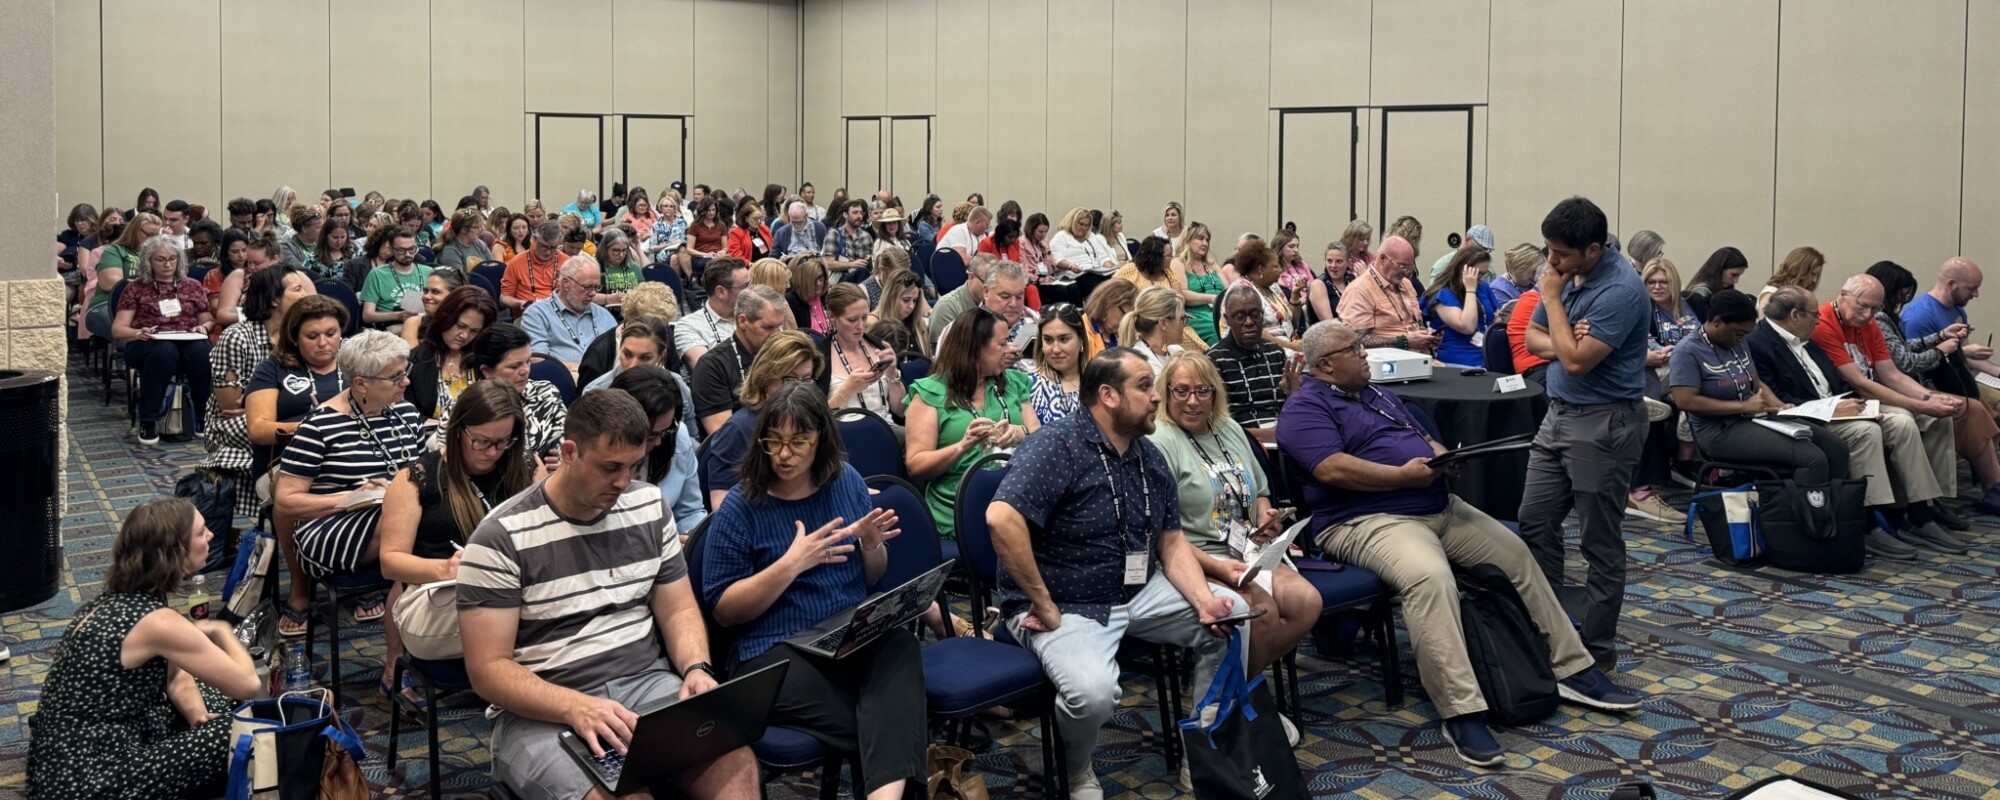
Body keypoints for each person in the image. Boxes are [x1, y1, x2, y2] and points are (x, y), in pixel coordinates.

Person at [1278, 321, 1639, 766]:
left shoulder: (1377, 393)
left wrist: (1444, 457)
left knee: (1516, 555)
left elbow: (1422, 436)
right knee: (1429, 578)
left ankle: (1571, 667)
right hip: (1366, 519)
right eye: (1355, 349)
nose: (1366, 353)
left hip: (1437, 505)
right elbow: (1331, 470)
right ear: (1327, 364)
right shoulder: (1304, 408)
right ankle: (1461, 709)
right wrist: (1401, 476)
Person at [458, 390, 761, 800]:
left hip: (646, 686)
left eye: (633, 466)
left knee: (736, 765)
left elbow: (679, 610)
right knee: (620, 795)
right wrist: (574, 706)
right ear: (569, 452)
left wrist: (696, 668)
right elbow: (488, 670)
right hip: (541, 708)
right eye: (609, 467)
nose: (623, 481)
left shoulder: (648, 505)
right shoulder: (500, 537)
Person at [987, 347, 1249, 796]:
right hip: (1067, 602)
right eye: (1145, 386)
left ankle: (1203, 751)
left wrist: (1205, 602)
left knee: (1231, 615)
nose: (1156, 397)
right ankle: (1077, 769)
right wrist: (1043, 600)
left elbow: (1170, 542)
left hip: (1137, 591)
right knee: (1092, 694)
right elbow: (1000, 518)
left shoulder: (1147, 454)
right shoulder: (1058, 445)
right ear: (1108, 395)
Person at [698, 382, 925, 800]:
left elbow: (872, 577)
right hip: (770, 652)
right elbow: (724, 611)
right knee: (892, 722)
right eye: (774, 441)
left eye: (798, 441)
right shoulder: (741, 506)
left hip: (843, 634)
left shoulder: (846, 481)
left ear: (821, 440)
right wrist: (791, 564)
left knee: (900, 646)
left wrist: (871, 545)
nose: (784, 454)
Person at [25, 498, 262, 798]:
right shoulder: (158, 622)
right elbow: (248, 685)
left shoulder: (109, 603)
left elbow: (176, 676)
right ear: (175, 551)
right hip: (90, 779)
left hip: (58, 763)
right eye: (201, 532)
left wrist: (196, 715)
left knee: (205, 689)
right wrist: (222, 629)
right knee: (241, 731)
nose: (212, 536)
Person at [1518, 196, 1653, 671]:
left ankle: (1597, 651)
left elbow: (1576, 361)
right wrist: (1563, 336)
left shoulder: (1619, 290)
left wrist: (1553, 305)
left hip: (1605, 422)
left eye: (1560, 255)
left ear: (1593, 249)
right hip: (1558, 415)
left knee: (1598, 540)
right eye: (1547, 251)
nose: (1550, 264)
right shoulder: (1571, 275)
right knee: (1533, 522)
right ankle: (1550, 633)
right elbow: (1533, 340)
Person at [1746, 286, 1951, 560]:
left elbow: (1838, 382)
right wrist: (1838, 409)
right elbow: (1781, 402)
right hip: (1805, 418)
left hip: (1837, 407)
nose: (1818, 320)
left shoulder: (1807, 338)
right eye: (1813, 314)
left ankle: (1918, 512)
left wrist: (1860, 406)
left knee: (1901, 423)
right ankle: (1868, 521)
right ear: (1794, 315)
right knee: (1865, 431)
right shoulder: (1759, 343)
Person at [1149, 352, 1318, 681]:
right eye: (1181, 391)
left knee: (1306, 602)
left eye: (1203, 391)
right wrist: (1218, 565)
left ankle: (1234, 692)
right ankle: (1231, 710)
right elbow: (1162, 535)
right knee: (1262, 615)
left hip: (1247, 550)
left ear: (1215, 393)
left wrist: (1266, 517)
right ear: (1166, 393)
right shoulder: (1159, 441)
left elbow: (1259, 493)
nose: (1193, 402)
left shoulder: (1227, 428)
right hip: (1195, 556)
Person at [378, 380, 538, 703]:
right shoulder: (417, 478)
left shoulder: (527, 467)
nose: (492, 452)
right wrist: (446, 569)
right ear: (458, 430)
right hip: (439, 596)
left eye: (503, 442)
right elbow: (390, 561)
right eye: (481, 442)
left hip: (510, 587)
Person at [275, 330, 423, 630]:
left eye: (404, 372)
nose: (405, 382)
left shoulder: (406, 412)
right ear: (360, 383)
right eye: (394, 377)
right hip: (330, 523)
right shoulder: (320, 424)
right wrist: (352, 497)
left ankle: (421, 602)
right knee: (404, 516)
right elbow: (286, 502)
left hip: (393, 516)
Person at [1811, 275, 1970, 552]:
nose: (1868, 315)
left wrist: (1930, 398)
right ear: (1843, 294)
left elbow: (1892, 374)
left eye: (1874, 309)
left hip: (1874, 396)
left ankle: (1929, 503)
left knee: (1938, 416)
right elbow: (1861, 383)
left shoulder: (1869, 324)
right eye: (1862, 306)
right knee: (1904, 422)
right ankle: (1906, 515)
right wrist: (1921, 404)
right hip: (1850, 400)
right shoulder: (1824, 323)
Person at [1668, 290, 1850, 485]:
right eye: (1738, 333)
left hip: (1755, 419)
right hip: (1719, 431)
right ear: (1718, 321)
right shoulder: (1688, 351)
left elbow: (1756, 382)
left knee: (1835, 447)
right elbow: (1685, 400)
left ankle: (1836, 510)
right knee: (1812, 458)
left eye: (1745, 334)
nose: (1741, 339)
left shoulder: (1738, 343)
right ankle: (1805, 513)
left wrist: (1779, 407)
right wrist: (1743, 407)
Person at [906, 307, 1039, 539]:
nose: (1009, 350)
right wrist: (962, 446)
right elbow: (916, 465)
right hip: (963, 508)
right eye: (1002, 343)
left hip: (1019, 498)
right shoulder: (930, 392)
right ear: (976, 348)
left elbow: (1039, 434)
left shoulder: (1014, 382)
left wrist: (1022, 432)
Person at [204, 265, 314, 521]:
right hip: (231, 425)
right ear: (275, 299)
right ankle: (290, 506)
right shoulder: (238, 337)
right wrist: (280, 402)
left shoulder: (301, 336)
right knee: (306, 436)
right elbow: (230, 406)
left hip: (284, 416)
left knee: (312, 432)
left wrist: (261, 400)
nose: (306, 296)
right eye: (298, 290)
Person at [115, 235, 216, 445]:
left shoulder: (192, 286)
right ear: (148, 262)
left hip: (187, 341)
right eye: (160, 259)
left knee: (201, 350)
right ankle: (149, 419)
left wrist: (202, 328)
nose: (167, 264)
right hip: (146, 343)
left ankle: (202, 416)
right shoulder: (135, 288)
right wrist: (137, 333)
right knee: (164, 351)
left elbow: (208, 321)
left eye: (172, 259)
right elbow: (118, 329)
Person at [704, 331, 824, 507]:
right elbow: (721, 505)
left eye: (806, 380)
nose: (799, 389)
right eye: (790, 380)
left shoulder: (814, 421)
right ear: (765, 378)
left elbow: (828, 473)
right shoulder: (738, 429)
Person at [608, 365, 707, 534]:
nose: (659, 442)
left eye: (665, 432)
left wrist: (690, 537)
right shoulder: (597, 451)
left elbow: (690, 511)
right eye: (650, 435)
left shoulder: (677, 435)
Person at [453, 323, 568, 462]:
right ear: (487, 371)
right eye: (515, 366)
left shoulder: (546, 394)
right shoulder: (462, 405)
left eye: (528, 362)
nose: (526, 370)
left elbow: (566, 446)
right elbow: (450, 460)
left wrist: (563, 464)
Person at [691, 284, 790, 434]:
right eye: (768, 327)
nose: (776, 335)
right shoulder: (712, 366)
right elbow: (724, 437)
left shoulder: (784, 356)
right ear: (743, 321)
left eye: (779, 327)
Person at [1207, 284, 1300, 442]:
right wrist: (1273, 435)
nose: (1249, 322)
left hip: (1286, 438)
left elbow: (1291, 410)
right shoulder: (1214, 360)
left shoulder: (1275, 351)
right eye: (1240, 316)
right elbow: (1218, 423)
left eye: (1255, 314)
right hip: (1244, 445)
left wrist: (1294, 394)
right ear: (1227, 320)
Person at [406, 285, 497, 427]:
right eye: (460, 326)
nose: (464, 335)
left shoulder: (486, 360)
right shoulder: (415, 360)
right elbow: (406, 413)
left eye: (474, 331)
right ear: (445, 317)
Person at [1337, 235, 1432, 353]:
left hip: (1419, 359)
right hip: (1385, 364)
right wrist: (1403, 341)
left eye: (1409, 268)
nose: (1406, 273)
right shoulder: (1359, 290)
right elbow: (1354, 340)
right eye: (1402, 266)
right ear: (1382, 259)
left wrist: (1427, 335)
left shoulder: (1406, 284)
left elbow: (1417, 323)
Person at [822, 284, 905, 419]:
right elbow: (817, 420)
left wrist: (892, 373)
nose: (860, 326)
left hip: (886, 428)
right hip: (845, 433)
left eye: (864, 318)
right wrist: (847, 390)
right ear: (832, 316)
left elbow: (901, 411)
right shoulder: (820, 355)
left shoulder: (880, 347)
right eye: (852, 320)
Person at [521, 256, 616, 370]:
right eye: (587, 287)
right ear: (566, 284)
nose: (593, 293)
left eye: (596, 287)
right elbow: (538, 360)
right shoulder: (537, 314)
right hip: (563, 380)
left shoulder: (604, 315)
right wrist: (580, 369)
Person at [1114, 236, 1207, 353]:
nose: (1171, 259)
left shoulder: (1168, 272)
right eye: (1168, 256)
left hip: (1168, 322)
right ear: (1155, 258)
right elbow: (1111, 294)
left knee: (1198, 349)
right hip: (1142, 325)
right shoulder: (1130, 270)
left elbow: (1180, 300)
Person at [1422, 246, 1499, 368]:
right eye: (1478, 274)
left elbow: (1493, 319)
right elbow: (1467, 327)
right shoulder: (1443, 294)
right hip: (1461, 357)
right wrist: (1470, 290)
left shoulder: (1483, 288)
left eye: (1485, 274)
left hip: (1486, 351)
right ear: (1464, 270)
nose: (1482, 278)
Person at [678, 258, 752, 370]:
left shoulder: (757, 314)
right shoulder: (689, 326)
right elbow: (708, 371)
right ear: (721, 292)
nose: (752, 291)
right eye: (745, 287)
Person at [357, 230, 431, 328]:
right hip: (392, 327)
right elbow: (367, 316)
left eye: (412, 249)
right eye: (401, 250)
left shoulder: (428, 272)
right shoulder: (377, 274)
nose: (408, 254)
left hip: (424, 324)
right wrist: (397, 316)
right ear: (392, 250)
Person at [1031, 303, 1090, 425]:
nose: (1056, 349)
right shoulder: (1028, 386)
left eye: (1064, 339)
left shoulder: (1099, 382)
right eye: (1048, 340)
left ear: (1081, 340)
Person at [925, 253, 997, 353]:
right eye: (987, 283)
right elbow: (945, 354)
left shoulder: (992, 304)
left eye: (995, 284)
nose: (992, 289)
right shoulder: (947, 307)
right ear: (971, 277)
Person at [1049, 207, 1115, 304]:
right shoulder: (1062, 236)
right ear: (1073, 222)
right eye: (1081, 224)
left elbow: (1103, 256)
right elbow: (1057, 260)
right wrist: (1071, 266)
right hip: (1075, 275)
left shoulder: (1091, 236)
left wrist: (1109, 265)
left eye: (1087, 226)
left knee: (1116, 279)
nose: (1084, 228)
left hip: (1095, 272)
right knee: (1097, 284)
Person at [500, 220, 566, 315]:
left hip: (559, 315)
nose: (547, 252)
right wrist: (520, 303)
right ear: (534, 239)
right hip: (527, 314)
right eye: (543, 246)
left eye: (553, 248)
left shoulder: (566, 262)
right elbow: (504, 298)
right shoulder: (516, 262)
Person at [1119, 287, 1188, 376]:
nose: (1184, 325)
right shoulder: (1140, 362)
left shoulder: (1177, 351)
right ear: (1163, 324)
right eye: (1182, 319)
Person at [400, 267, 469, 348]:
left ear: (455, 295)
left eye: (435, 292)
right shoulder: (414, 323)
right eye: (425, 291)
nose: (426, 296)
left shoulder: (468, 326)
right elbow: (411, 358)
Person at [869, 269, 931, 359]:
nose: (911, 306)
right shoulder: (873, 322)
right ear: (891, 297)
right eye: (906, 300)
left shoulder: (919, 325)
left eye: (915, 301)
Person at [1683, 246, 1748, 322]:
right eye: (1733, 275)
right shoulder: (1701, 293)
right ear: (1719, 270)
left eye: (1739, 275)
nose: (1736, 281)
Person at [1754, 246, 1826, 313]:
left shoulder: (1801, 296)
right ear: (1798, 271)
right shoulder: (1771, 295)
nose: (1814, 280)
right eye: (1813, 274)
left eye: (1818, 276)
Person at [819, 199, 876, 281]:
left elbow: (871, 260)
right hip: (840, 279)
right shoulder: (834, 234)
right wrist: (852, 264)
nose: (859, 216)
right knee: (862, 272)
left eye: (861, 213)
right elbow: (828, 263)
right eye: (855, 212)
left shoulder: (866, 236)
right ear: (845, 215)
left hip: (862, 278)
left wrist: (869, 261)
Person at [1081, 277, 1136, 355]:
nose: (1126, 322)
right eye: (1125, 314)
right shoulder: (1082, 334)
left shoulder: (1118, 338)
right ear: (1108, 304)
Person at [1305, 242, 1350, 329]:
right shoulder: (1318, 285)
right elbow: (1330, 324)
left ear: (1348, 262)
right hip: (1328, 337)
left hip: (1353, 333)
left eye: (1339, 261)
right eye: (1329, 261)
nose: (1333, 266)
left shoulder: (1352, 279)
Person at [784, 255, 833, 336]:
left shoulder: (828, 296)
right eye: (813, 279)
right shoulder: (791, 301)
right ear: (801, 280)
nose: (818, 283)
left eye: (821, 277)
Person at [594, 231, 646, 306]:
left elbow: (643, 292)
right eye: (616, 250)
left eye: (624, 250)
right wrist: (609, 298)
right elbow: (588, 296)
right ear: (605, 249)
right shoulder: (595, 267)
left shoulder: (634, 267)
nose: (621, 255)